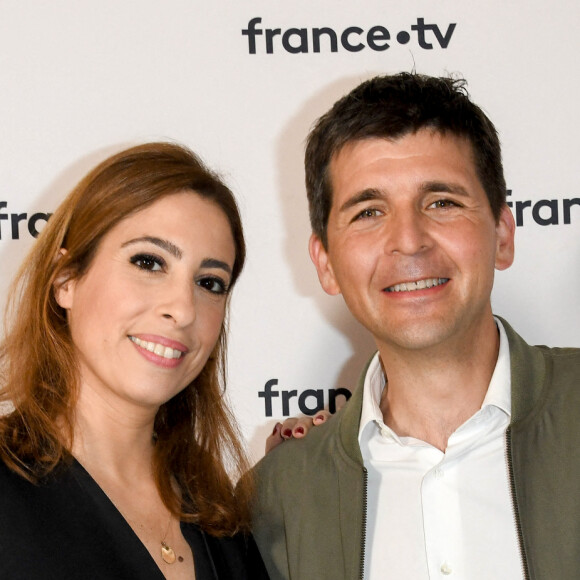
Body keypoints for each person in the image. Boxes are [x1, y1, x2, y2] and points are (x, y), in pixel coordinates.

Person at [252, 73, 580, 579]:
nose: (408, 240)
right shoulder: (279, 497)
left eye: (442, 203)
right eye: (368, 211)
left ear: (502, 233)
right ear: (325, 263)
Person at [0, 142, 269, 579]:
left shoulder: (221, 516)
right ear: (65, 280)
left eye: (210, 282)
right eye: (148, 261)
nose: (182, 309)